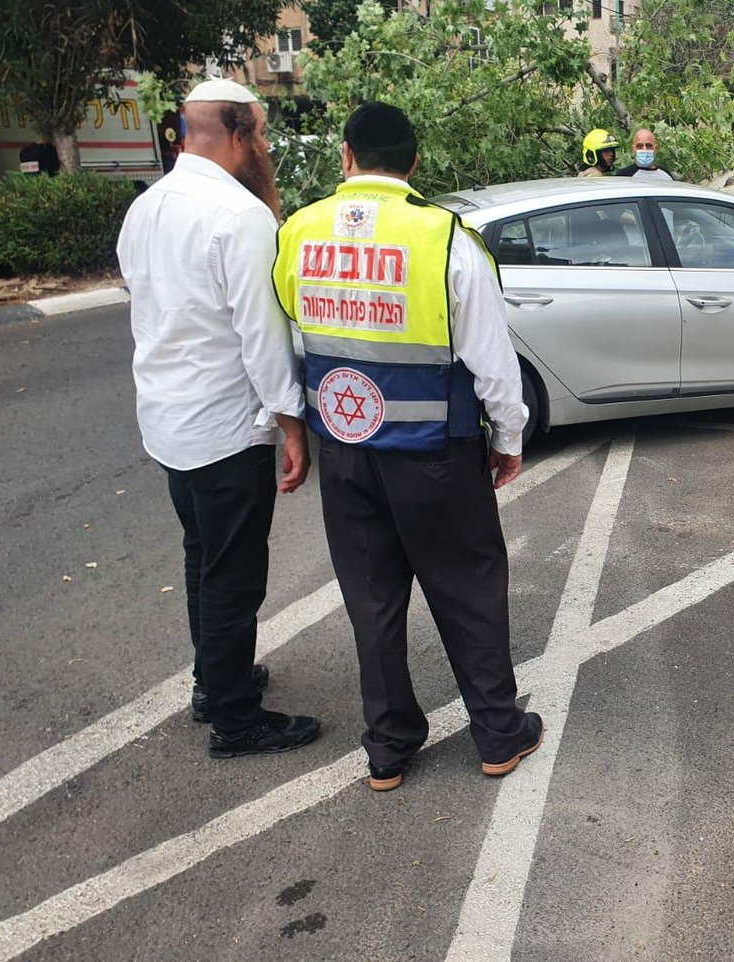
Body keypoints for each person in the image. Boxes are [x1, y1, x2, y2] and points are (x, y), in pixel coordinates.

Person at [272, 101, 542, 793]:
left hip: (345, 448)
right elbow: (491, 360)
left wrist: (291, 424)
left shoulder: (296, 233)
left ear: (345, 155)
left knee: (372, 598)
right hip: (436, 453)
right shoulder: (444, 238)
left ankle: (388, 749)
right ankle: (497, 737)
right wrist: (508, 438)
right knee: (469, 589)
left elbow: (284, 339)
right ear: (415, 161)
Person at [117, 78, 320, 759]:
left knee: (202, 555)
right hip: (225, 428)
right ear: (234, 133)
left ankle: (213, 680)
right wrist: (291, 423)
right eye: (259, 132)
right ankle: (236, 718)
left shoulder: (145, 208)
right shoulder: (240, 216)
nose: (263, 145)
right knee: (234, 573)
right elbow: (261, 337)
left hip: (167, 423)